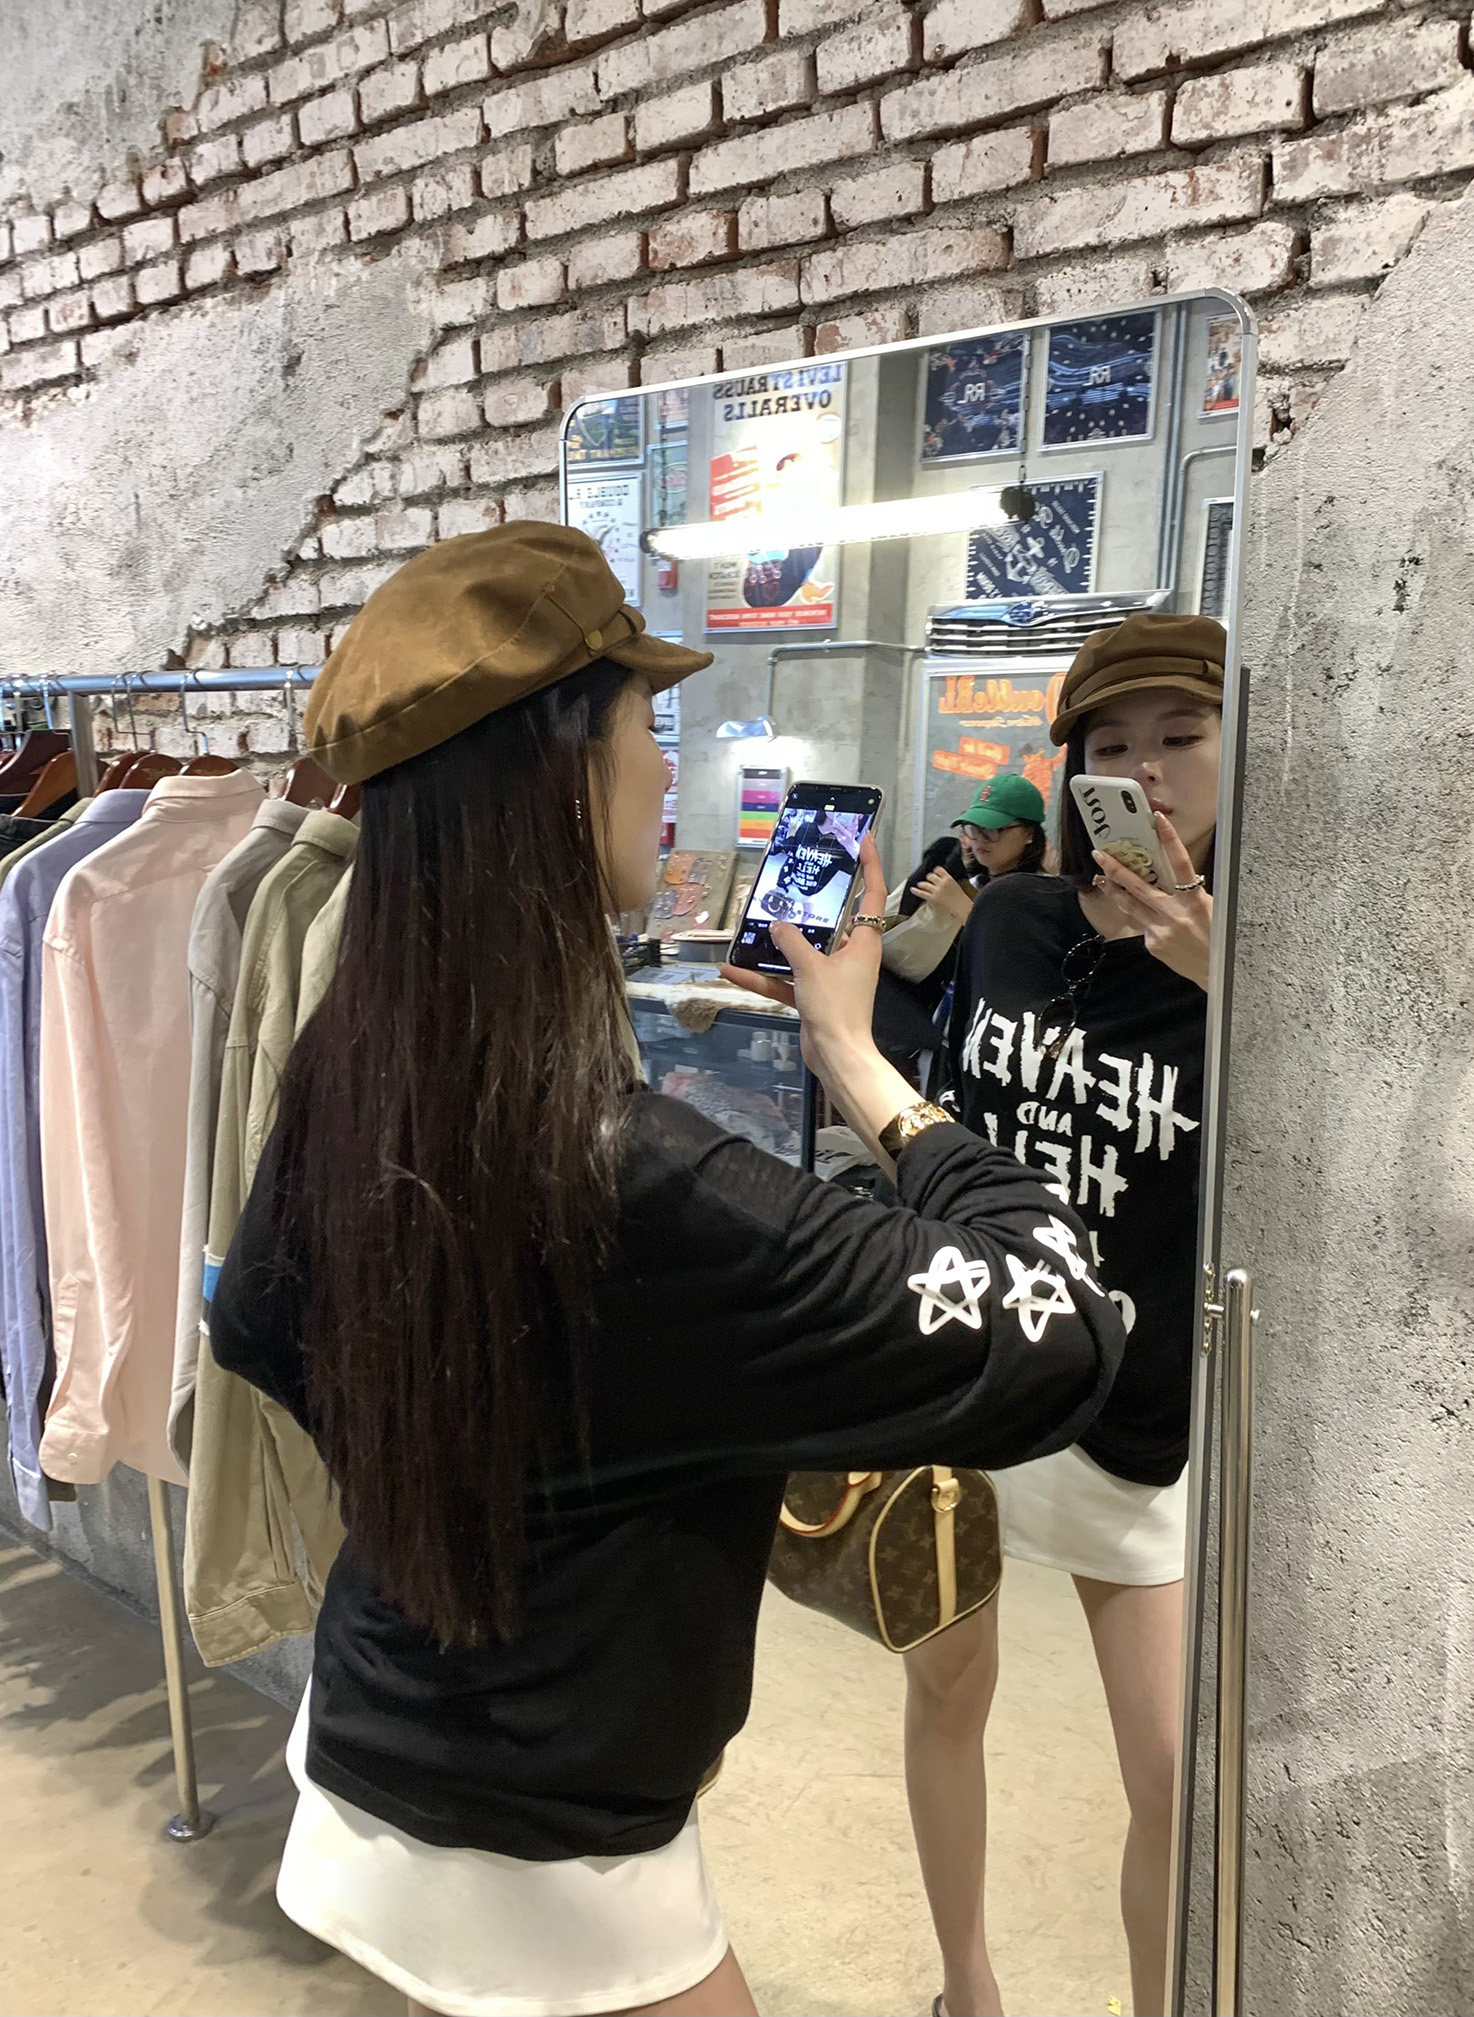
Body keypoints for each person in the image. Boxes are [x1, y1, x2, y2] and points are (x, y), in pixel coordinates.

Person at [208, 522, 1127, 2017]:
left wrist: (510, 1458)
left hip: (367, 1771)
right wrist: (860, 1064)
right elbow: (1062, 1318)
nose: (660, 768)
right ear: (567, 768)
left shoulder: (358, 1070)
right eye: (646, 723)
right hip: (558, 1860)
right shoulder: (645, 1184)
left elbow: (253, 1319)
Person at [904, 612, 1223, 2017]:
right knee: (944, 1691)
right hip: (979, 1367)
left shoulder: (1257, 963)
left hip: (1138, 1403)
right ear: (1070, 769)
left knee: (1169, 1776)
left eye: (1181, 736)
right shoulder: (1013, 920)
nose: (1145, 771)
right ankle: (966, 1985)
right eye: (1110, 745)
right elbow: (953, 1119)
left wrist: (1224, 982)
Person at [872, 775, 1046, 1086]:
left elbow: (1022, 965)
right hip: (946, 1027)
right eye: (972, 828)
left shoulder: (1042, 893)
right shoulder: (970, 882)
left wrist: (961, 908)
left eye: (994, 830)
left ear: (1029, 834)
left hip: (998, 1041)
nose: (979, 840)